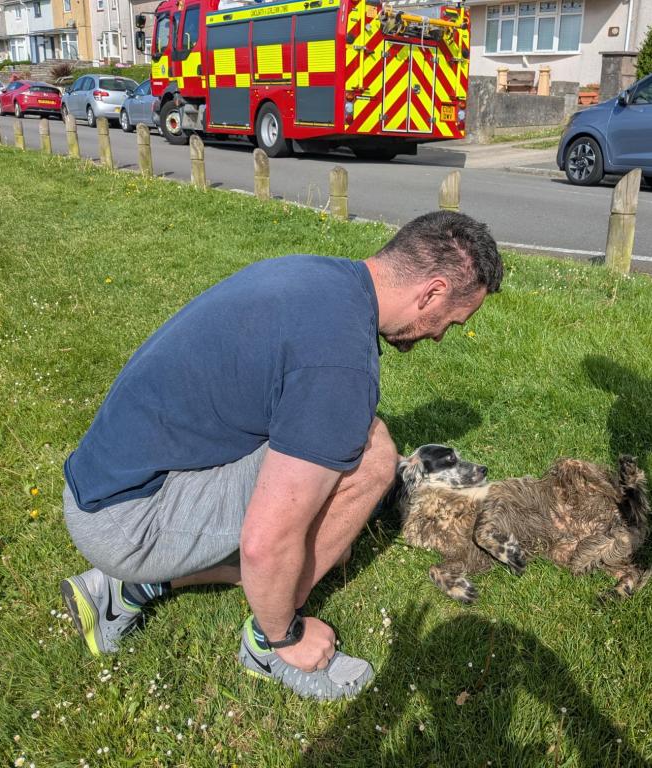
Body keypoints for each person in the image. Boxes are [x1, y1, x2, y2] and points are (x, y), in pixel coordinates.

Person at [59, 211, 503, 701]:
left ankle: (129, 589)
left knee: (332, 535)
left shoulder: (320, 277)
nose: (440, 335)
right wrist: (286, 634)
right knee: (373, 456)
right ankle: (264, 646)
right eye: (451, 321)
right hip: (128, 518)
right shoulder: (340, 363)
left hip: (105, 484)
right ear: (432, 292)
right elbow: (264, 544)